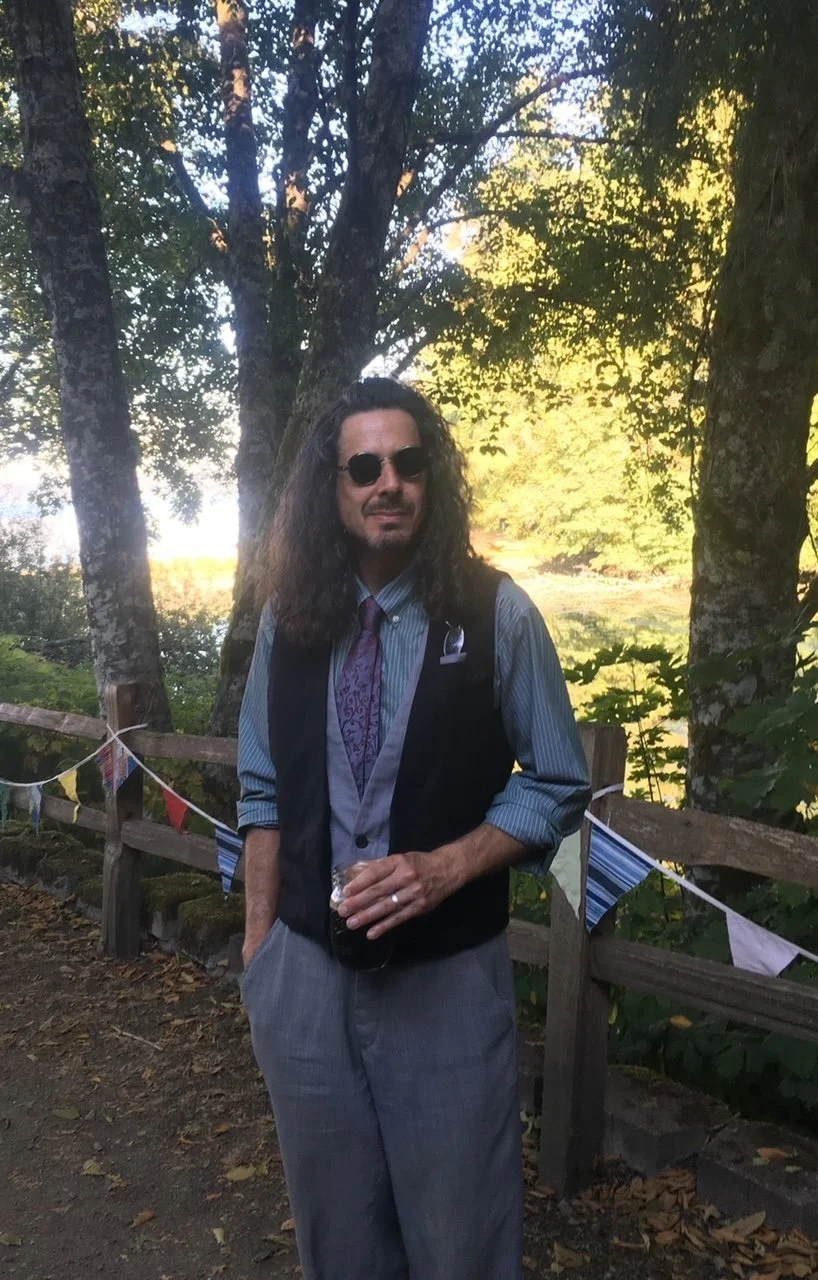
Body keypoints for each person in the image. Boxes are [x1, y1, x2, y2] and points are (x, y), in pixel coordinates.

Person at [237, 377, 590, 1280]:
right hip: (304, 982)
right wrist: (261, 961)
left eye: (407, 462)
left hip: (446, 984)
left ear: (432, 479)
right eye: (363, 467)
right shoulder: (288, 621)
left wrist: (446, 867)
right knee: (339, 1243)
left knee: (459, 1241)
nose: (386, 483)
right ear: (332, 489)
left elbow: (559, 781)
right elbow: (261, 791)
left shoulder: (497, 613)